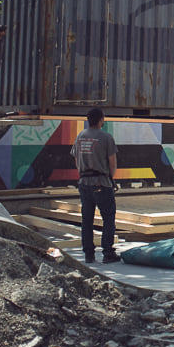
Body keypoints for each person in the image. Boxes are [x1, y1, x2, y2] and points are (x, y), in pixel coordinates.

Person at [71, 107, 120, 264]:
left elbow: (77, 161)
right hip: (102, 183)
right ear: (101, 120)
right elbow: (113, 163)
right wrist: (110, 180)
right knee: (108, 217)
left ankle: (89, 254)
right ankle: (107, 253)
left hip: (84, 183)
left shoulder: (80, 137)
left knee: (87, 220)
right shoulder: (106, 138)